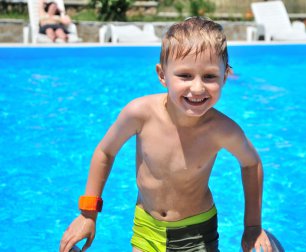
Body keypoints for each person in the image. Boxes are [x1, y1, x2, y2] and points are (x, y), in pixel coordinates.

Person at [59, 17, 272, 252]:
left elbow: (251, 164)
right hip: (147, 227)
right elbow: (105, 152)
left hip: (197, 230)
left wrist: (252, 226)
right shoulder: (140, 113)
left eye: (209, 76)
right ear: (162, 75)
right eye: (185, 75)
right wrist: (88, 215)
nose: (198, 88)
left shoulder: (222, 130)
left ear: (224, 77)